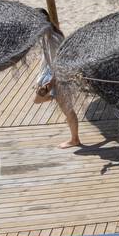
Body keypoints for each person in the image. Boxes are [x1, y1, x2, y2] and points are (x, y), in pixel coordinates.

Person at [33, 11, 82, 150]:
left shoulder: (53, 39)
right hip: (52, 73)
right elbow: (47, 59)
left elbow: (59, 63)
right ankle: (74, 137)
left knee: (68, 109)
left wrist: (52, 82)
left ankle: (75, 139)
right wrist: (41, 78)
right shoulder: (46, 36)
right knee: (37, 99)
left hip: (60, 75)